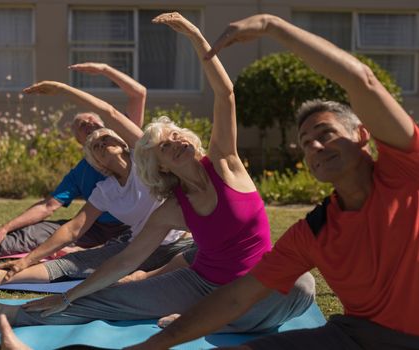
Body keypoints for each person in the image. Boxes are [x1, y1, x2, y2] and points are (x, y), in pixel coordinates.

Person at [0, 12, 314, 336]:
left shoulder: (226, 163)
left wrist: (194, 35)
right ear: (159, 166)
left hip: (255, 282)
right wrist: (70, 295)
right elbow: (126, 260)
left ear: (189, 139)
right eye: (163, 146)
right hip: (200, 282)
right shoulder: (172, 209)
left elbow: (226, 93)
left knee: (303, 286)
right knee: (110, 297)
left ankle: (206, 318)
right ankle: (4, 314)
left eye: (176, 135)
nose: (173, 141)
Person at [126, 13, 419, 350]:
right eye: (307, 142)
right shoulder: (314, 232)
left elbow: (361, 80)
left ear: (361, 135)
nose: (316, 146)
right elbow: (238, 297)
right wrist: (154, 345)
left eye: (326, 133)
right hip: (353, 335)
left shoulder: (404, 170)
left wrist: (272, 27)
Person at [0, 63, 146, 267]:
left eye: (92, 121)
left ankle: (78, 252)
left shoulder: (125, 144)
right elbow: (48, 206)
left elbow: (137, 95)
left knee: (125, 243)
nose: (88, 124)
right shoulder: (84, 175)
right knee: (41, 232)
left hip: (136, 227)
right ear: (81, 143)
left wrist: (104, 70)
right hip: (94, 228)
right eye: (81, 126)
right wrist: (6, 227)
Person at [0, 126, 193, 289]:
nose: (100, 144)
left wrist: (66, 90)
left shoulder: (145, 165)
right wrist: (27, 260)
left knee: (189, 260)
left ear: (122, 143)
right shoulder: (105, 190)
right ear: (97, 163)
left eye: (106, 139)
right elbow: (74, 228)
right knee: (79, 263)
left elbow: (116, 111)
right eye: (95, 147)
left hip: (177, 242)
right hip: (137, 248)